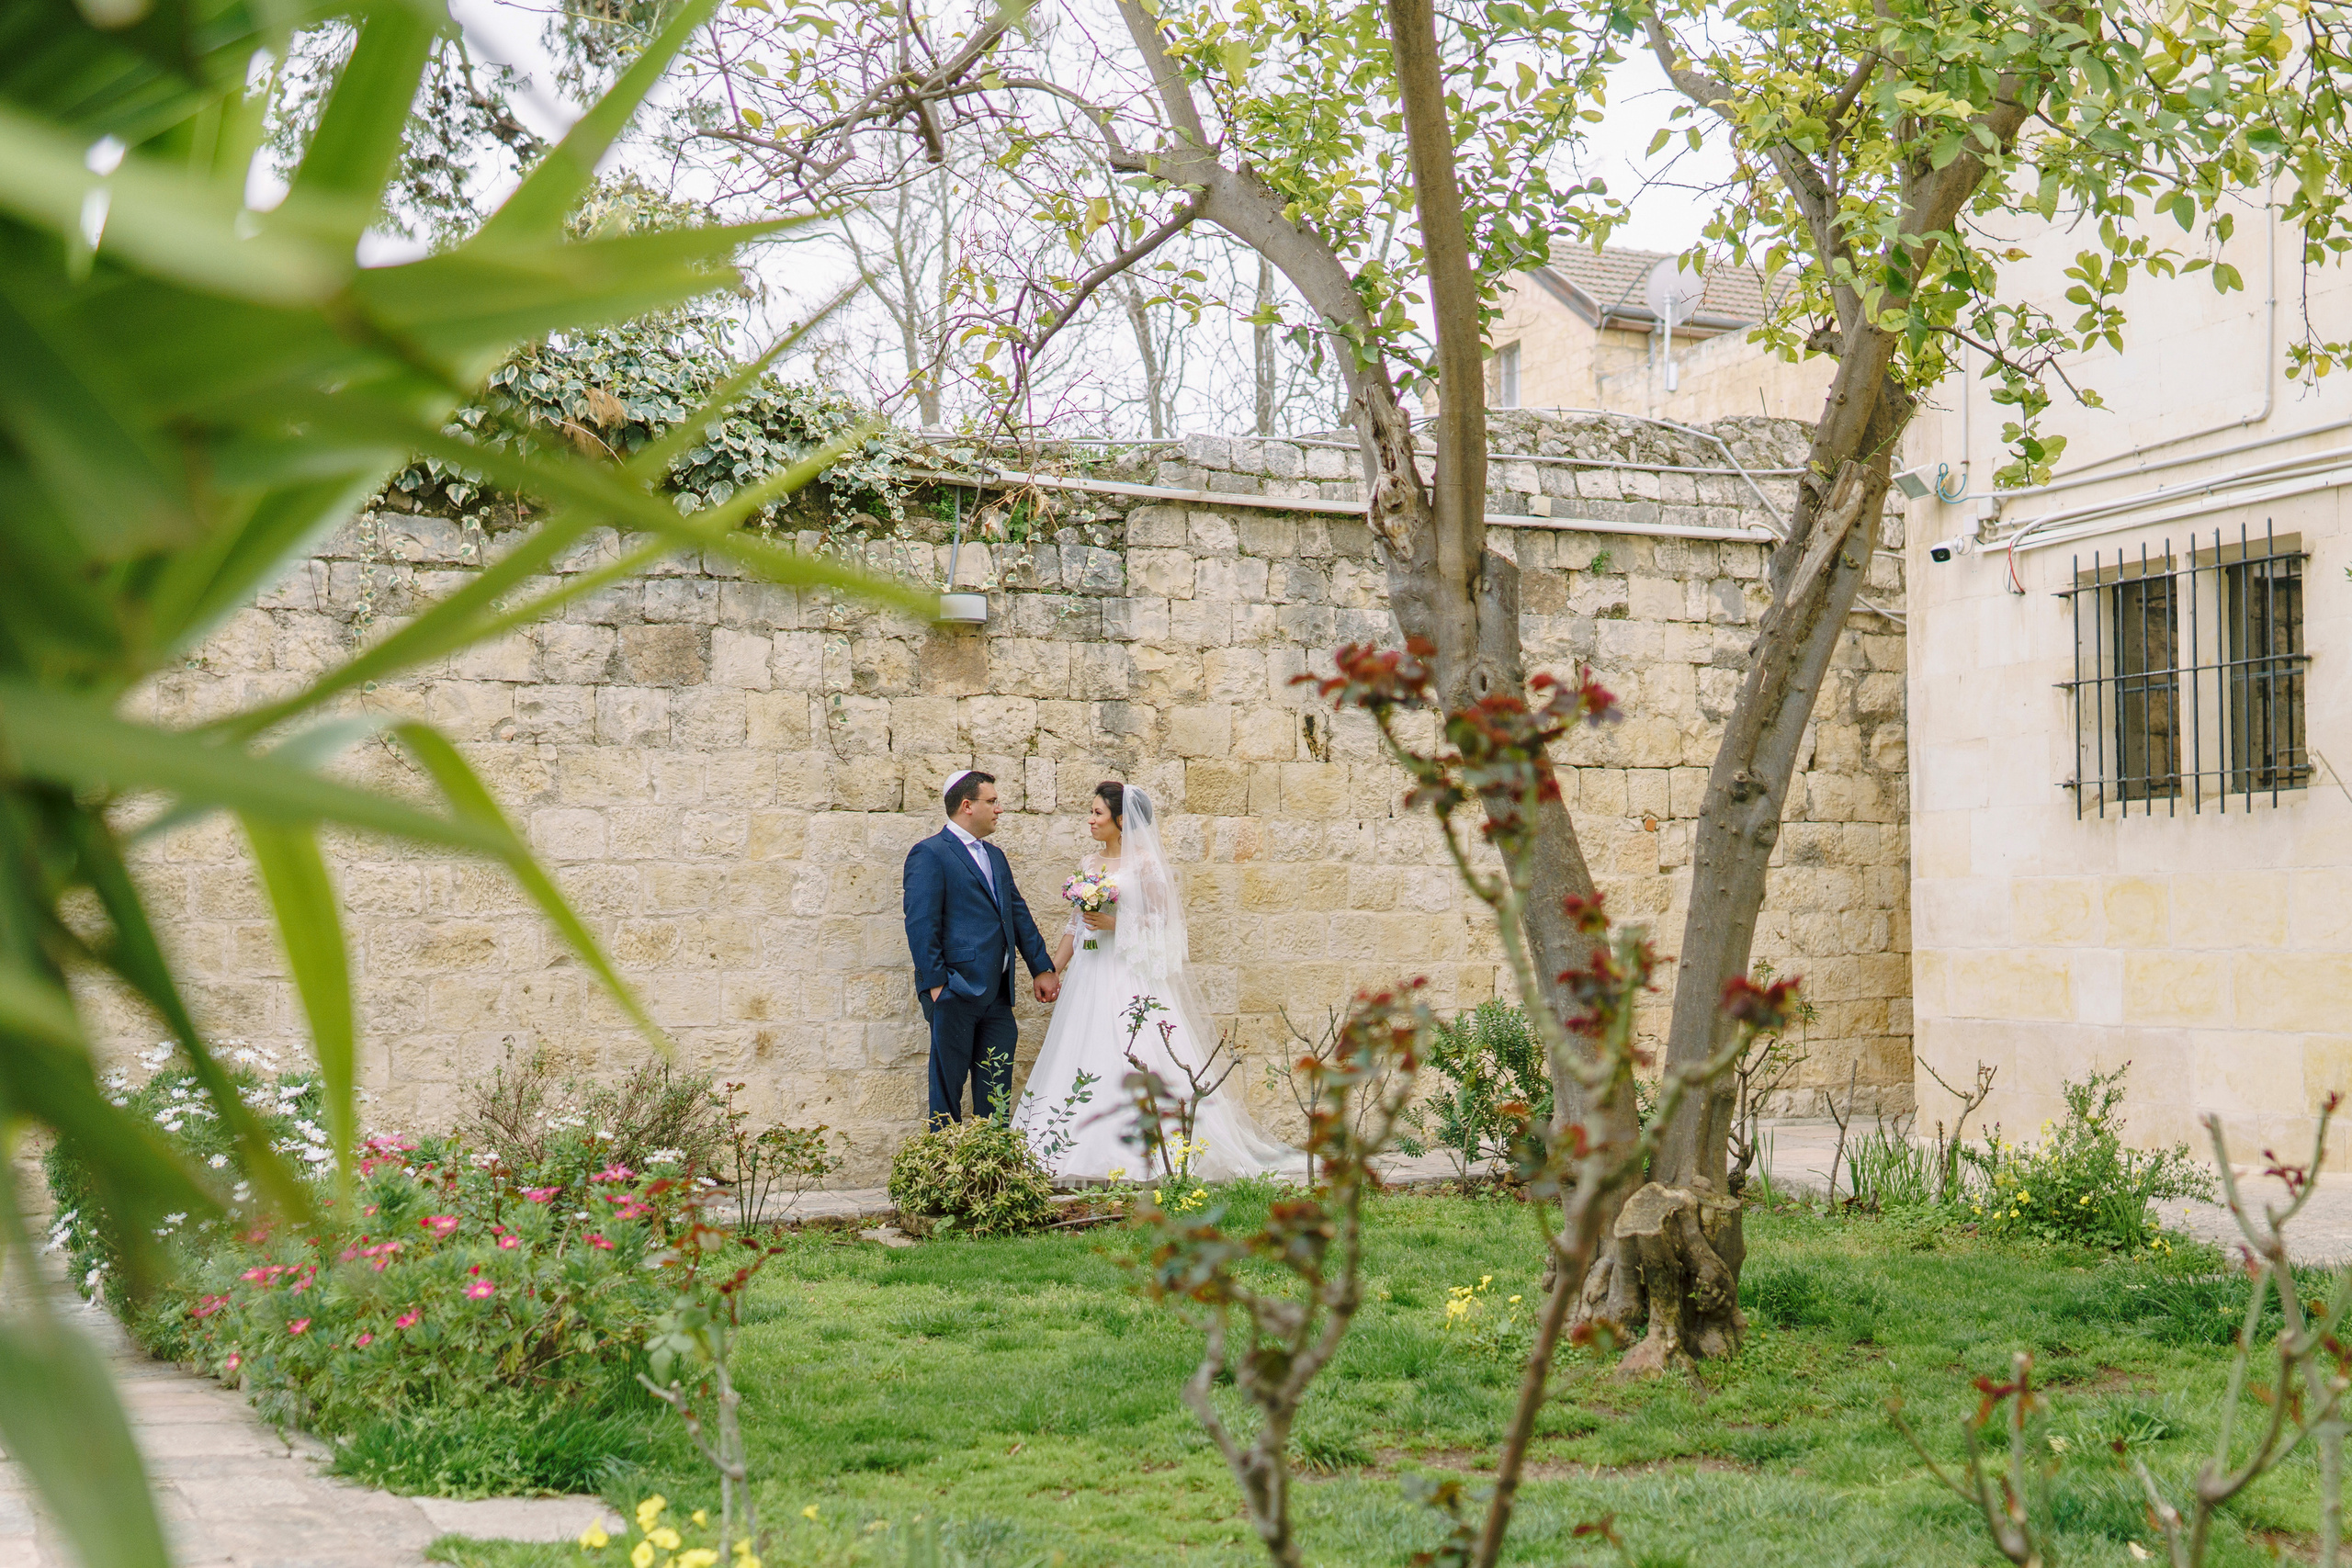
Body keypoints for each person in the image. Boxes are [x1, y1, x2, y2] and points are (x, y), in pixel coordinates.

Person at [1011, 781, 1300, 1181]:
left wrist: (1115, 923)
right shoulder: (1089, 863)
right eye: (1091, 812)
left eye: (1097, 813)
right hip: (1089, 973)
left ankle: (1145, 1153)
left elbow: (1163, 923)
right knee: (1083, 1047)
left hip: (1127, 971)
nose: (1090, 820)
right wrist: (1053, 969)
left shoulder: (1145, 863)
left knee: (1130, 1046)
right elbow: (1074, 924)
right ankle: (1068, 1148)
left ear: (1120, 820)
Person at [902, 771, 1060, 1125]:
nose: (999, 809)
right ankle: (945, 1176)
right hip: (955, 991)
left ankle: (990, 1175)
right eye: (992, 802)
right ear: (967, 805)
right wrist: (938, 986)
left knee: (996, 1093)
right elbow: (921, 924)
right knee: (947, 1093)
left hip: (997, 998)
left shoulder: (996, 856)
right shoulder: (930, 854)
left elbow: (1017, 914)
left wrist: (1042, 968)